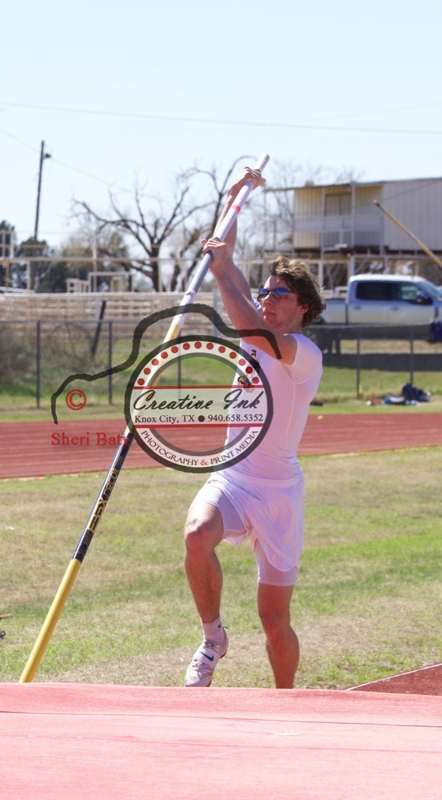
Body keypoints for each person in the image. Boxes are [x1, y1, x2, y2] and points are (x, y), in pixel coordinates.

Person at [184, 166, 326, 689]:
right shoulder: (256, 330)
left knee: (274, 620)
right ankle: (212, 636)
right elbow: (233, 266)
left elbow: (242, 307)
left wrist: (222, 271)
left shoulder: (302, 353)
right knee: (198, 535)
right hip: (234, 479)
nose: (267, 300)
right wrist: (236, 194)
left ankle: (285, 701)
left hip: (280, 494)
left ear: (303, 307)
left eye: (279, 295)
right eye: (264, 293)